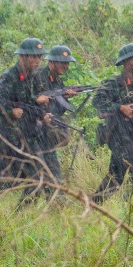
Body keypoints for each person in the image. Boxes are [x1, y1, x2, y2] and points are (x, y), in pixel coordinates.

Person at [0, 38, 53, 204]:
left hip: (27, 136)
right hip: (7, 138)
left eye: (40, 57)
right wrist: (10, 111)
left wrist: (42, 115)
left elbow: (27, 104)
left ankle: (22, 213)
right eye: (33, 57)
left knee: (38, 177)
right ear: (23, 57)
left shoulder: (31, 78)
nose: (37, 61)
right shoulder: (10, 76)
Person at [92, 43, 133, 202]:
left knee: (116, 176)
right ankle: (129, 205)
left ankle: (95, 203)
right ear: (125, 62)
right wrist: (120, 108)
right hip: (118, 134)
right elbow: (97, 101)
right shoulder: (113, 83)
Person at [31, 45, 80, 189]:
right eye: (62, 62)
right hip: (34, 131)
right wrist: (36, 100)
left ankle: (55, 198)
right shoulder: (37, 77)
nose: (65, 66)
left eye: (67, 63)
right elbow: (23, 98)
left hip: (47, 134)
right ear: (51, 61)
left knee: (52, 171)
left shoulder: (58, 82)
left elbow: (56, 111)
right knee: (39, 174)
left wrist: (65, 98)